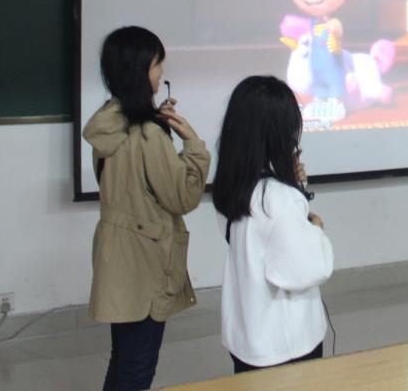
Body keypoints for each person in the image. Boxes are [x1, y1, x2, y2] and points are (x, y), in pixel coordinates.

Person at [83, 26, 210, 391]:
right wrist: (192, 145)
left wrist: (155, 124)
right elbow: (181, 197)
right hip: (145, 261)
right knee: (137, 368)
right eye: (157, 65)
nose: (161, 73)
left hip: (117, 256)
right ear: (139, 70)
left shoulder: (109, 123)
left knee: (124, 359)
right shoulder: (148, 135)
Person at [212, 75, 333, 373]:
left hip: (249, 337)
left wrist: (289, 181)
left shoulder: (235, 186)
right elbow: (306, 268)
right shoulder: (278, 199)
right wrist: (316, 228)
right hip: (285, 345)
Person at [288, 0, 361, 123]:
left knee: (332, 81)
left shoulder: (334, 23)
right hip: (317, 67)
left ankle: (335, 102)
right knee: (319, 84)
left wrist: (334, 31)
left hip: (333, 67)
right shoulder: (312, 23)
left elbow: (337, 32)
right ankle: (320, 100)